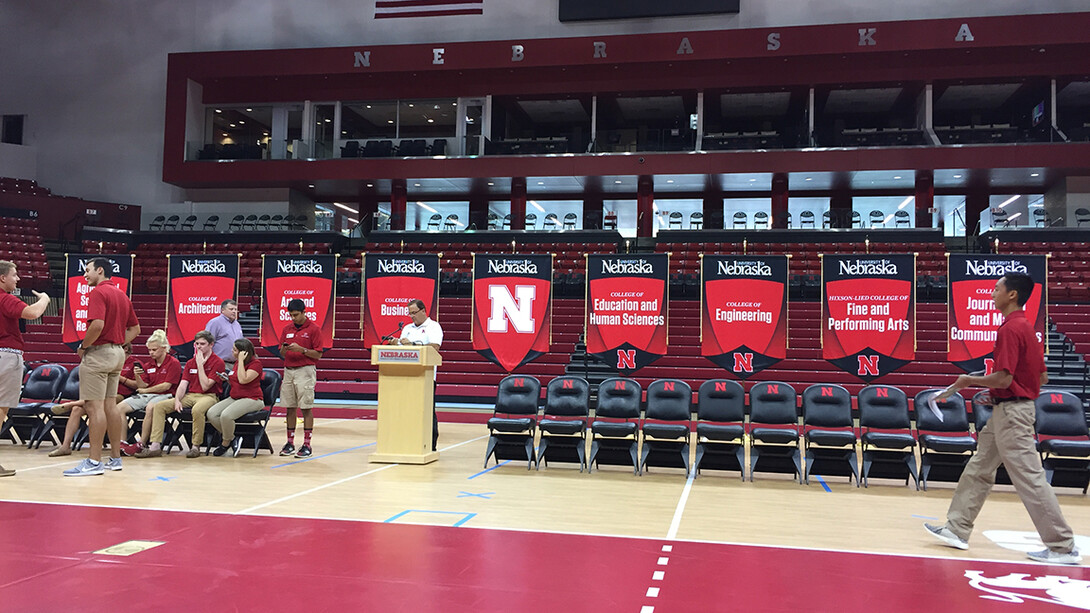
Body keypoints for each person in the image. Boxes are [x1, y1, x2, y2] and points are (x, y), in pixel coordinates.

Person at [924, 272, 1081, 565]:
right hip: (1006, 410)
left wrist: (968, 381)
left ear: (1012, 295)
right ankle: (957, 529)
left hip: (1014, 415)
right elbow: (1041, 376)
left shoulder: (1010, 329)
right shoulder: (1027, 328)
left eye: (997, 288)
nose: (992, 293)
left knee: (1030, 479)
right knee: (979, 468)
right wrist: (1001, 391)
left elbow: (1004, 376)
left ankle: (1062, 546)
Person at [63, 257, 140, 476]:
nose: (85, 275)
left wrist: (83, 346)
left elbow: (97, 324)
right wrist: (118, 342)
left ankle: (94, 461)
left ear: (100, 270)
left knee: (93, 407)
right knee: (110, 406)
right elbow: (135, 329)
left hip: (99, 353)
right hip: (117, 353)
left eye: (87, 271)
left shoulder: (97, 292)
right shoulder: (122, 295)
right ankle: (115, 458)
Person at [134, 330, 224, 459]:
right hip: (190, 395)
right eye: (197, 344)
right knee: (159, 406)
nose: (199, 347)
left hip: (208, 396)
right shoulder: (190, 362)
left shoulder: (218, 362)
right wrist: (177, 400)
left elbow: (205, 386)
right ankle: (155, 446)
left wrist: (200, 365)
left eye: (202, 344)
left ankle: (195, 446)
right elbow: (183, 385)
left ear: (211, 345)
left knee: (197, 410)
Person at [0, 260, 51, 477]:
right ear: (3, 278)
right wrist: (45, 299)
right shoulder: (5, 298)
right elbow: (32, 313)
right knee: (1, 408)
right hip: (6, 355)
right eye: (14, 274)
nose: (18, 278)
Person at [49, 342, 136, 457]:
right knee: (76, 410)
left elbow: (136, 385)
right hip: (101, 391)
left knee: (102, 405)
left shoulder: (134, 363)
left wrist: (121, 378)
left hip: (121, 395)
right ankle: (65, 446)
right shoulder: (107, 358)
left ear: (124, 349)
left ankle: (101, 455)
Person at [116, 329, 182, 455]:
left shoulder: (173, 363)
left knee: (151, 407)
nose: (151, 352)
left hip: (167, 395)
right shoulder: (148, 364)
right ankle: (122, 442)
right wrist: (137, 376)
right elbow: (142, 385)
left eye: (154, 349)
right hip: (147, 394)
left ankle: (142, 443)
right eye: (149, 350)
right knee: (119, 408)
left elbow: (166, 386)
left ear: (163, 348)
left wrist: (145, 390)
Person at [390, 298, 443, 451]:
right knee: (406, 410)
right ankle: (407, 441)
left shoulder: (434, 327)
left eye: (414, 313)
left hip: (426, 377)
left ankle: (430, 444)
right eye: (410, 313)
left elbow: (434, 348)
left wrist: (412, 345)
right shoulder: (407, 328)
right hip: (406, 375)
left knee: (427, 411)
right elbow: (402, 349)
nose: (412, 316)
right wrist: (396, 344)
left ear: (423, 311)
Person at [278, 298, 324, 458]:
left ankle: (307, 444)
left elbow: (318, 354)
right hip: (289, 370)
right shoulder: (287, 328)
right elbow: (281, 353)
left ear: (304, 312)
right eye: (291, 315)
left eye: (296, 315)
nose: (293, 318)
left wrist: (302, 350)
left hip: (305, 370)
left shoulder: (314, 329)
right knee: (289, 406)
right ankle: (290, 442)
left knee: (305, 407)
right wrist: (285, 350)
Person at [208, 338, 265, 457]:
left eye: (234, 350)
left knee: (226, 415)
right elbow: (236, 381)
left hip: (252, 399)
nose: (231, 351)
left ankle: (225, 443)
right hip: (235, 397)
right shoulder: (237, 364)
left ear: (243, 353)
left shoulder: (256, 364)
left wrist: (240, 361)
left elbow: (243, 380)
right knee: (212, 413)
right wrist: (227, 378)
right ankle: (233, 438)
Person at [206, 299, 243, 364]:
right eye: (231, 309)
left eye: (235, 309)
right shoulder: (215, 322)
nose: (234, 311)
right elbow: (207, 342)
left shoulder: (237, 324)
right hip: (219, 362)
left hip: (236, 363)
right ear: (222, 310)